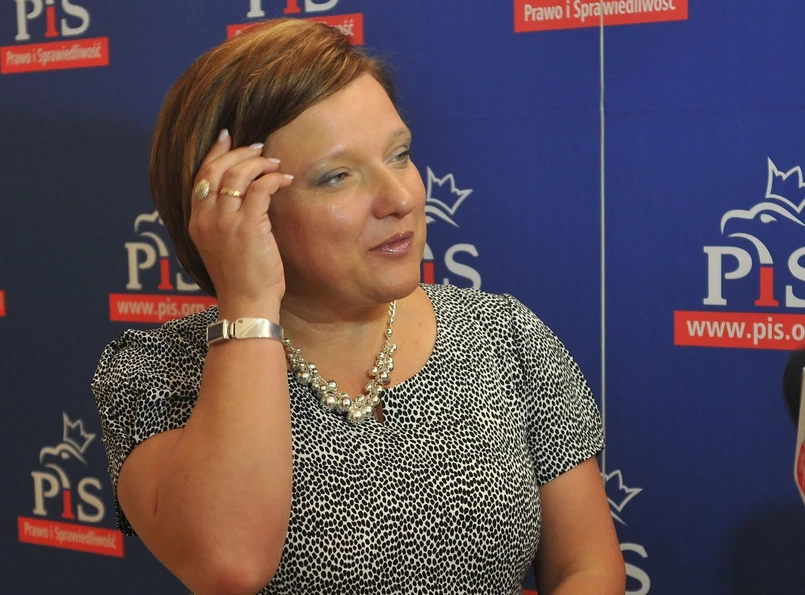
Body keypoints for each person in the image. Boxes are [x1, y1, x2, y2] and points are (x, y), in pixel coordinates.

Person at [91, 18, 625, 595]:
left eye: (399, 155)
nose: (400, 198)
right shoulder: (154, 371)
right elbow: (229, 565)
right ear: (235, 205)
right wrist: (248, 302)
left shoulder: (503, 335)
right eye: (336, 177)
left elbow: (587, 567)